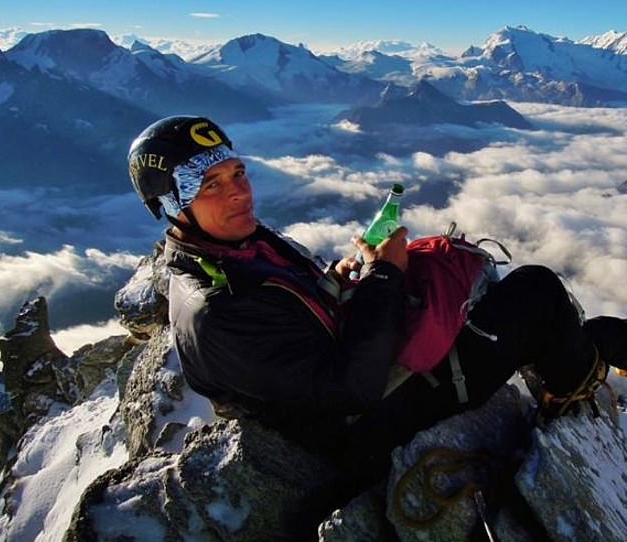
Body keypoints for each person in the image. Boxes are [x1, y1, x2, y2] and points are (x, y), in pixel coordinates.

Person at [127, 115, 626, 500]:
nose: (238, 190)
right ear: (172, 203)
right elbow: (353, 390)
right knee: (537, 294)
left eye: (237, 172)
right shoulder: (215, 310)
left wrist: (347, 279)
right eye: (209, 184)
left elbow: (297, 322)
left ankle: (590, 349)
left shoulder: (235, 250)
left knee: (520, 304)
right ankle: (572, 389)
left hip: (360, 375)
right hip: (367, 428)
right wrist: (385, 275)